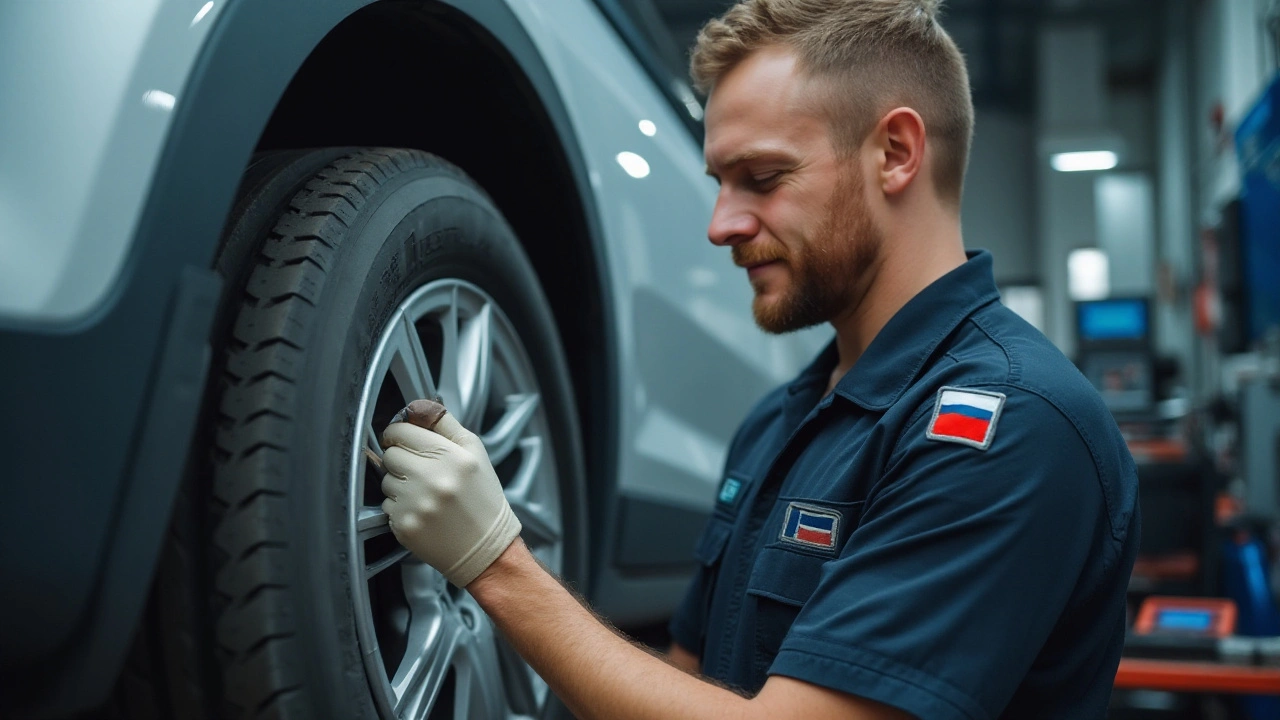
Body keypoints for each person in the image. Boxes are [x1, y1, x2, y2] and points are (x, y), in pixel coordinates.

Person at [376, 0, 1141, 717]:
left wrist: (496, 564)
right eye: (720, 184)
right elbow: (685, 683)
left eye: (763, 179)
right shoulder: (781, 423)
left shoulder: (1011, 426)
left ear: (896, 153)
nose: (721, 225)